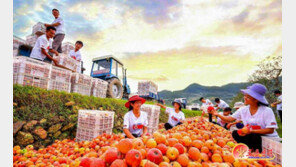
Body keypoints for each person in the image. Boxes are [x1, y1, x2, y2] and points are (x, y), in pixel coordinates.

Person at [210, 83, 279, 152]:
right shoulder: (243, 110)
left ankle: (255, 153)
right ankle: (247, 151)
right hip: (252, 137)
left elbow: (270, 130)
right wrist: (217, 114)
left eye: (248, 97)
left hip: (268, 139)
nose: (245, 98)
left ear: (256, 100)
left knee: (254, 135)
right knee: (235, 133)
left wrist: (251, 131)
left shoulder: (266, 111)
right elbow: (229, 119)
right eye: (245, 96)